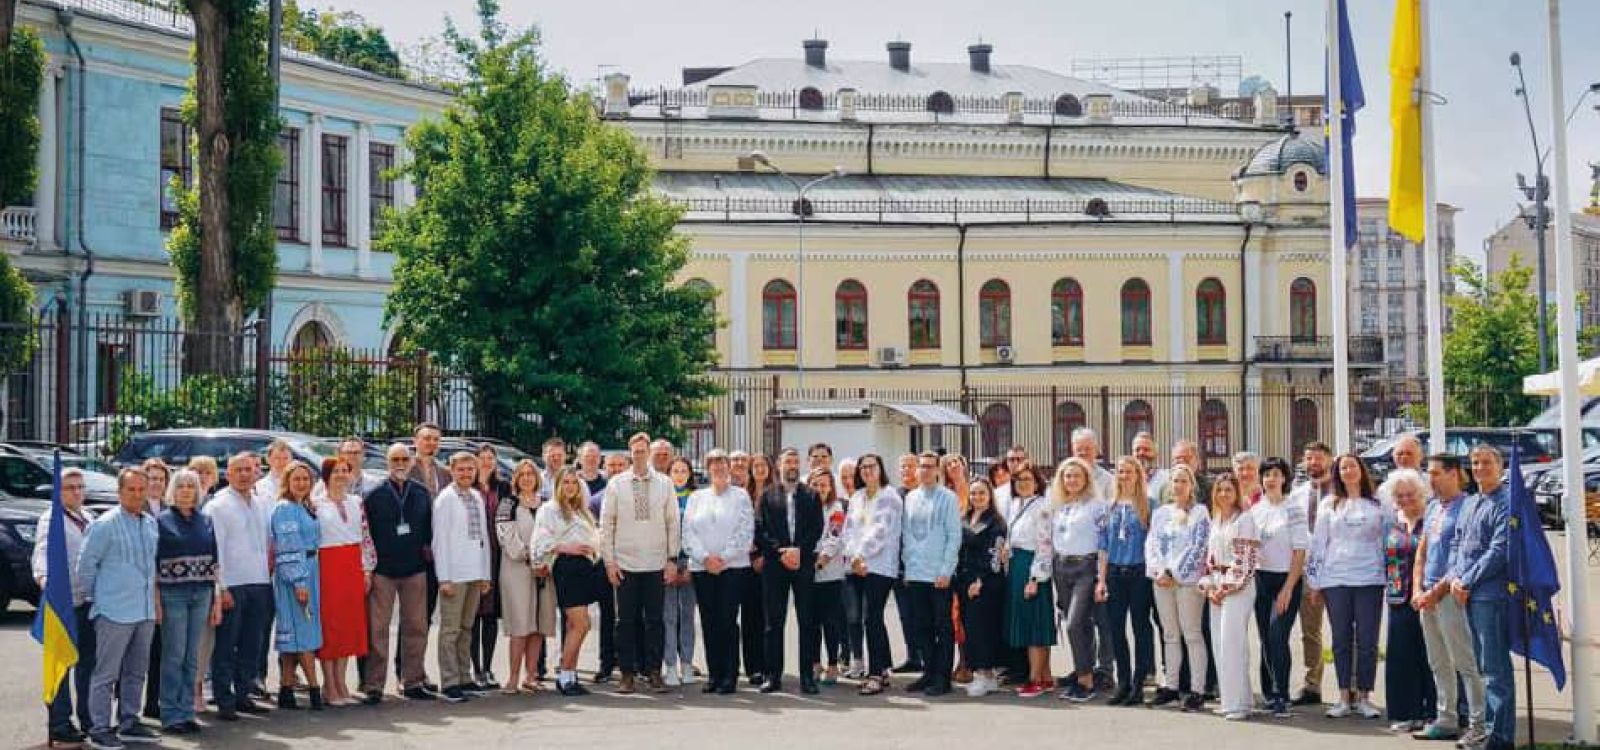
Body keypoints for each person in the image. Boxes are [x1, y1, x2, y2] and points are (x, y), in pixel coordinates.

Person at [78, 469, 161, 749]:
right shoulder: (104, 525)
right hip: (113, 612)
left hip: (144, 611)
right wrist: (99, 599)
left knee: (137, 671)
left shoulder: (150, 523)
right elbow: (86, 566)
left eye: (141, 489)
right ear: (119, 492)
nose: (137, 495)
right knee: (106, 673)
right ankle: (100, 728)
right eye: (131, 490)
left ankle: (129, 721)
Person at [1306, 453, 1391, 720]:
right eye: (1343, 468)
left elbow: (1387, 540)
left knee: (1368, 640)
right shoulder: (1329, 504)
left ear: (1361, 470)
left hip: (1370, 579)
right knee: (1341, 639)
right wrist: (1314, 582)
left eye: (1352, 466)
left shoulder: (1377, 503)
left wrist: (1389, 575)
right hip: (1335, 579)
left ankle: (1364, 697)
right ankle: (1344, 696)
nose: (1348, 471)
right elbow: (1318, 544)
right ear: (1337, 474)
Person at [1411, 453, 1487, 743]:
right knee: (1438, 661)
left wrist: (1435, 592)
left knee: (1466, 662)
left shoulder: (1468, 507)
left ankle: (1479, 724)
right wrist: (1417, 589)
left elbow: (1463, 557)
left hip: (1450, 596)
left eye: (1435, 473)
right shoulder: (1433, 507)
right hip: (1427, 595)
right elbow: (1422, 550)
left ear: (1454, 474)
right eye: (1428, 473)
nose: (1429, 479)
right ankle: (1446, 719)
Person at [599, 432, 681, 694]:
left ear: (649, 453)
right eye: (635, 452)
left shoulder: (665, 483)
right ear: (630, 453)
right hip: (625, 563)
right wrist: (609, 562)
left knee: (655, 621)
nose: (639, 455)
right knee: (625, 621)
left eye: (644, 451)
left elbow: (673, 522)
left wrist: (672, 559)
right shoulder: (617, 484)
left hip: (656, 562)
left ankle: (654, 672)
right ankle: (627, 674)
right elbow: (606, 524)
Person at [1445, 446, 1515, 750]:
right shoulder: (1471, 502)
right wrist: (1454, 577)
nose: (1480, 468)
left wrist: (1467, 580)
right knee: (1480, 666)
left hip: (1490, 595)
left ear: (1500, 466)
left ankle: (1500, 737)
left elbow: (1499, 550)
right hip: (1466, 593)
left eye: (1487, 462)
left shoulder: (1506, 502)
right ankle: (1486, 731)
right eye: (1475, 463)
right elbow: (1457, 543)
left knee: (1495, 669)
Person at [360, 443, 435, 704]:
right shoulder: (373, 495)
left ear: (412, 461)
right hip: (383, 571)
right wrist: (368, 568)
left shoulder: (422, 493)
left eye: (405, 459)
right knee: (378, 629)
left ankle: (412, 680)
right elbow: (365, 535)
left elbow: (429, 531)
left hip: (415, 570)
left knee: (416, 627)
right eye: (395, 459)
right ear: (387, 462)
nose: (400, 464)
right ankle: (374, 685)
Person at [204, 452, 274, 721]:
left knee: (252, 643)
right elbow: (216, 549)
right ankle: (224, 698)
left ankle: (244, 694)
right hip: (232, 584)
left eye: (249, 470)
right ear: (228, 474)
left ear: (256, 472)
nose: (245, 474)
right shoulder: (218, 506)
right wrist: (221, 587)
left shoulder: (260, 503)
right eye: (239, 470)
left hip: (259, 581)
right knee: (226, 645)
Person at [682, 450, 755, 696]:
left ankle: (729, 675)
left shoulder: (740, 496)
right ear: (707, 469)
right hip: (702, 568)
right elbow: (688, 532)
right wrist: (704, 557)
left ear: (728, 467)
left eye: (722, 464)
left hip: (732, 568)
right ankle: (714, 674)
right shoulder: (697, 497)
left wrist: (723, 558)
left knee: (727, 621)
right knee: (709, 621)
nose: (718, 469)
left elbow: (745, 532)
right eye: (713, 465)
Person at [36, 468, 99, 746]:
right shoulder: (50, 519)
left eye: (80, 487)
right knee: (61, 666)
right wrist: (44, 578)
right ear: (58, 492)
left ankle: (89, 718)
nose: (76, 492)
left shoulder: (90, 517)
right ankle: (60, 723)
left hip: (89, 602)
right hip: (63, 604)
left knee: (89, 666)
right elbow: (42, 552)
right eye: (69, 487)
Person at [754, 448, 824, 694]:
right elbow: (760, 529)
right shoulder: (767, 495)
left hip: (803, 564)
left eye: (795, 461)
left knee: (807, 622)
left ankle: (807, 678)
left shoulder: (811, 495)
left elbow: (817, 528)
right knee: (773, 623)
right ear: (779, 465)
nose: (792, 465)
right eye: (788, 461)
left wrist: (798, 551)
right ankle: (773, 676)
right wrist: (781, 552)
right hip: (775, 565)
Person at [154, 469, 218, 735]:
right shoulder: (161, 521)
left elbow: (215, 561)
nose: (186, 491)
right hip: (173, 594)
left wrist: (215, 598)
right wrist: (156, 600)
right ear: (173, 490)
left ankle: (187, 710)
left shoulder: (206, 521)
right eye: (181, 486)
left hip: (201, 593)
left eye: (191, 486)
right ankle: (170, 713)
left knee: (193, 656)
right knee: (174, 654)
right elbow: (153, 563)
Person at [531, 468, 603, 697]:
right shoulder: (549, 509)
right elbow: (540, 541)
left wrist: (593, 549)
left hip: (584, 568)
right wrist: (566, 547)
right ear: (558, 485)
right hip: (566, 567)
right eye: (566, 482)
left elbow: (594, 537)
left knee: (576, 625)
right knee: (582, 624)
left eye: (574, 482)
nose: (570, 486)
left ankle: (570, 675)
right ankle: (564, 675)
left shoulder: (582, 511)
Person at [1145, 464, 1210, 713]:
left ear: (1191, 485)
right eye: (1175, 481)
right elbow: (1152, 543)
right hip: (1161, 581)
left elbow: (1199, 546)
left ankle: (1197, 690)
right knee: (1170, 635)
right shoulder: (1161, 513)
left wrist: (1174, 572)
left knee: (1192, 634)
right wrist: (1159, 570)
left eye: (1183, 481)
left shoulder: (1200, 512)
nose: (1178, 485)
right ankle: (1171, 687)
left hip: (1187, 581)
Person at [1044, 457, 1109, 702]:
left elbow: (1104, 543)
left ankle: (1085, 682)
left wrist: (1101, 578)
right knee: (1081, 625)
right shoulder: (1060, 506)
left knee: (1074, 623)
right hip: (1062, 567)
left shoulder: (1097, 506)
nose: (1071, 480)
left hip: (1086, 567)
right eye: (1067, 476)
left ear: (1086, 479)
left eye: (1076, 476)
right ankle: (1083, 672)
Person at [313, 456, 375, 708]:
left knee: (349, 626)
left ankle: (341, 681)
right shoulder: (316, 504)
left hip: (352, 565)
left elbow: (365, 536)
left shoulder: (356, 502)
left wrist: (367, 569)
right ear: (326, 476)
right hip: (328, 565)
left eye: (344, 471)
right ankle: (329, 685)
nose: (340, 475)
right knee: (331, 626)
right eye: (335, 471)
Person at [1249, 456, 1308, 718]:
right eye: (1266, 475)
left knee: (1277, 636)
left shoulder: (1293, 509)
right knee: (1265, 638)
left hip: (1286, 580)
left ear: (1284, 478)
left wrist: (1288, 588)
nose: (1271, 479)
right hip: (1261, 580)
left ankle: (1282, 693)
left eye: (1276, 474)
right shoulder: (1255, 510)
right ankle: (1269, 694)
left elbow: (1299, 551)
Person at [899, 451, 961, 698]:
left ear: (937, 470)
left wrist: (946, 570)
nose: (924, 470)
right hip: (916, 573)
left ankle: (943, 678)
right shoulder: (911, 498)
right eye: (921, 466)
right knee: (921, 626)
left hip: (938, 575)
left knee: (943, 628)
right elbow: (906, 534)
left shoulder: (948, 498)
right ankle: (929, 672)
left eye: (929, 466)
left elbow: (954, 536)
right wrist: (907, 567)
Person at [433, 452, 494, 703]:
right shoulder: (445, 500)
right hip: (454, 574)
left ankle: (464, 676)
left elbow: (483, 539)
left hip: (474, 572)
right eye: (461, 469)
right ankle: (449, 682)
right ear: (452, 470)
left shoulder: (476, 496)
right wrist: (444, 578)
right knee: (450, 630)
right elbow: (440, 541)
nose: (466, 474)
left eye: (470, 469)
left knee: (467, 628)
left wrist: (485, 574)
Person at [840, 453, 903, 696]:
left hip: (879, 566)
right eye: (863, 467)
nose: (867, 470)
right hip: (856, 565)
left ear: (880, 469)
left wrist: (860, 555)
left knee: (871, 618)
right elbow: (848, 530)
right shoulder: (857, 497)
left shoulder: (889, 496)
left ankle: (875, 674)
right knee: (872, 619)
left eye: (872, 466)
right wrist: (853, 556)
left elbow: (880, 530)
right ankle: (883, 669)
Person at [1199, 473, 1260, 722]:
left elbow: (1246, 560)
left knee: (1232, 643)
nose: (1224, 494)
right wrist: (1210, 586)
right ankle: (1234, 699)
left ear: (1236, 493)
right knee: (1219, 643)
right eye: (1220, 490)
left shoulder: (1244, 519)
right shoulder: (1216, 520)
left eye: (1228, 490)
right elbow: (1209, 558)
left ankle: (1238, 705)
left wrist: (1226, 587)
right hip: (1216, 584)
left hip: (1238, 587)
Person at [1382, 468, 1438, 733]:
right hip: (1397, 597)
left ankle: (1433, 712)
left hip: (1429, 596)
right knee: (1401, 656)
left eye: (1410, 494)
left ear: (1422, 493)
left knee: (1431, 655)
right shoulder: (1390, 523)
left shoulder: (1432, 520)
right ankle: (1405, 712)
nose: (1405, 499)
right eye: (1400, 495)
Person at [495, 459, 556, 695]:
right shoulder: (507, 504)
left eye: (531, 474)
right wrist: (533, 557)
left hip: (544, 572)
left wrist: (545, 561)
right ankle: (512, 678)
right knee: (520, 625)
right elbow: (507, 538)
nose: (527, 478)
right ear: (516, 478)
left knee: (538, 625)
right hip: (517, 570)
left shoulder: (547, 504)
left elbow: (555, 534)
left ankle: (531, 676)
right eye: (523, 474)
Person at [1097, 456, 1153, 706]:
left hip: (1139, 572)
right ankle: (1123, 681)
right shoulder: (1109, 507)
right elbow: (1103, 546)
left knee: (1141, 627)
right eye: (1120, 471)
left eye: (1129, 471)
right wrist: (1101, 580)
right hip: (1114, 573)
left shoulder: (1149, 505)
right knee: (1116, 628)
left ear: (1138, 474)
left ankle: (1139, 682)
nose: (1124, 476)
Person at [271, 462, 325, 710]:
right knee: (302, 629)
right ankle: (314, 688)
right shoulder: (285, 509)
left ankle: (286, 688)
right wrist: (298, 581)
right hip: (295, 574)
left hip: (311, 568)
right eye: (297, 479)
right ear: (287, 482)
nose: (302, 483)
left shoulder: (305, 506)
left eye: (306, 479)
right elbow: (288, 546)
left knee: (294, 632)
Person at [1004, 461, 1056, 699]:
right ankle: (1045, 676)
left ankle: (1034, 679)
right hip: (1016, 564)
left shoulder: (1042, 506)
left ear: (1037, 482)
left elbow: (1045, 544)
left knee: (1036, 624)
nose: (1022, 484)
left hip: (1032, 566)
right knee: (1028, 621)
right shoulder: (1015, 504)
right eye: (1018, 480)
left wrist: (1035, 577)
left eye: (1027, 479)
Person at [1290, 440, 1334, 707]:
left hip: (1339, 569)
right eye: (1309, 458)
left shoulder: (1342, 491)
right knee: (1310, 630)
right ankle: (1312, 684)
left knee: (1346, 630)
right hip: (1309, 569)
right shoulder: (1297, 493)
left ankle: (1352, 686)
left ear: (1329, 459)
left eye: (1318, 458)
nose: (1313, 463)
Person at [956, 478, 1007, 697]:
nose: (977, 497)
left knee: (983, 630)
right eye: (974, 493)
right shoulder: (964, 519)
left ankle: (985, 675)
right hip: (965, 582)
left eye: (982, 493)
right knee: (971, 630)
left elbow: (994, 555)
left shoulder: (996, 522)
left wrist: (979, 581)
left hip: (986, 583)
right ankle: (983, 675)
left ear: (990, 496)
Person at [471, 444, 508, 692]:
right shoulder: (468, 487)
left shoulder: (503, 487)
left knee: (491, 615)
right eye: (482, 458)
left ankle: (488, 667)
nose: (486, 462)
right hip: (473, 557)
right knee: (473, 615)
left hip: (497, 557)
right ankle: (476, 669)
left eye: (490, 458)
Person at [737, 453, 774, 685]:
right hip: (746, 563)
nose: (760, 469)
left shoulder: (777, 494)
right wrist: (751, 555)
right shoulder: (742, 495)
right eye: (756, 466)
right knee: (750, 617)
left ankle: (770, 666)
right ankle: (753, 667)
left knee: (769, 617)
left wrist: (765, 555)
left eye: (763, 465)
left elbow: (780, 529)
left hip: (770, 562)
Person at [809, 468, 848, 686]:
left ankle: (833, 664)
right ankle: (815, 664)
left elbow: (835, 537)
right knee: (811, 622)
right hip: (807, 573)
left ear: (831, 487)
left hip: (830, 573)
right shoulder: (804, 507)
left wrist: (821, 559)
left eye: (824, 485)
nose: (820, 489)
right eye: (815, 484)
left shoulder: (836, 508)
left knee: (830, 622)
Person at [138, 458, 170, 720]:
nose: (156, 483)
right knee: (137, 650)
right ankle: (126, 705)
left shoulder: (170, 508)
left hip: (166, 586)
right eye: (152, 478)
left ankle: (153, 702)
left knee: (159, 649)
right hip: (140, 587)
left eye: (161, 479)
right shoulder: (136, 508)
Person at [662, 456, 698, 687]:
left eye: (683, 470)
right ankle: (670, 665)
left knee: (687, 616)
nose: (679, 475)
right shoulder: (663, 497)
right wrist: (668, 562)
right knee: (669, 616)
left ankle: (687, 662)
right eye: (675, 471)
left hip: (690, 562)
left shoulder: (697, 497)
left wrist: (692, 564)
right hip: (668, 562)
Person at [890, 452, 922, 676]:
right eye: (903, 467)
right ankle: (913, 656)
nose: (906, 470)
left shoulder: (923, 494)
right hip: (898, 564)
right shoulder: (895, 495)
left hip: (920, 565)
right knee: (905, 614)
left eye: (911, 466)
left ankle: (926, 656)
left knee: (922, 614)